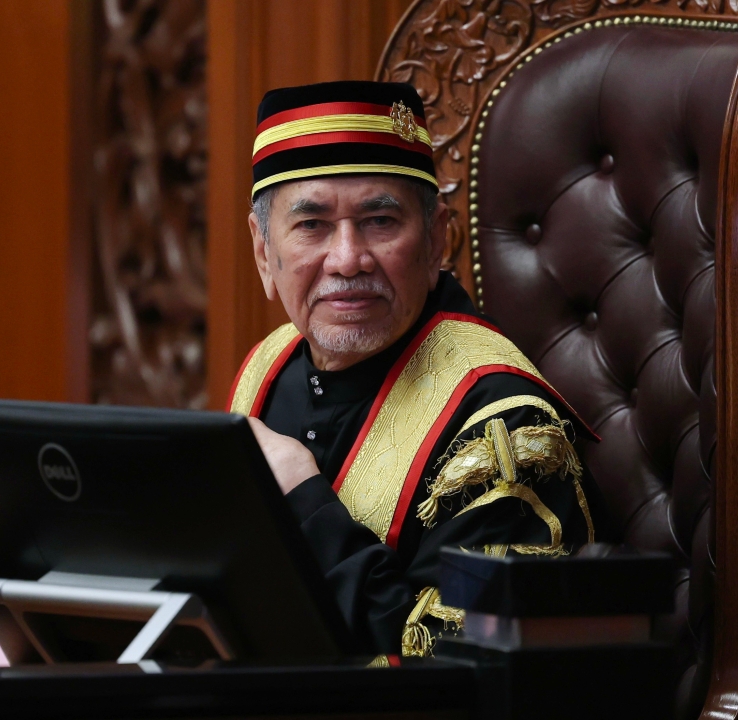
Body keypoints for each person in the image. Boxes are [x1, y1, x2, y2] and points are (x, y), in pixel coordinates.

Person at [230, 80, 606, 657]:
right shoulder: (266, 366)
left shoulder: (501, 427)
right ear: (263, 253)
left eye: (380, 221)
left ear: (434, 242)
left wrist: (303, 497)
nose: (348, 258)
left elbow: (454, 672)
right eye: (312, 225)